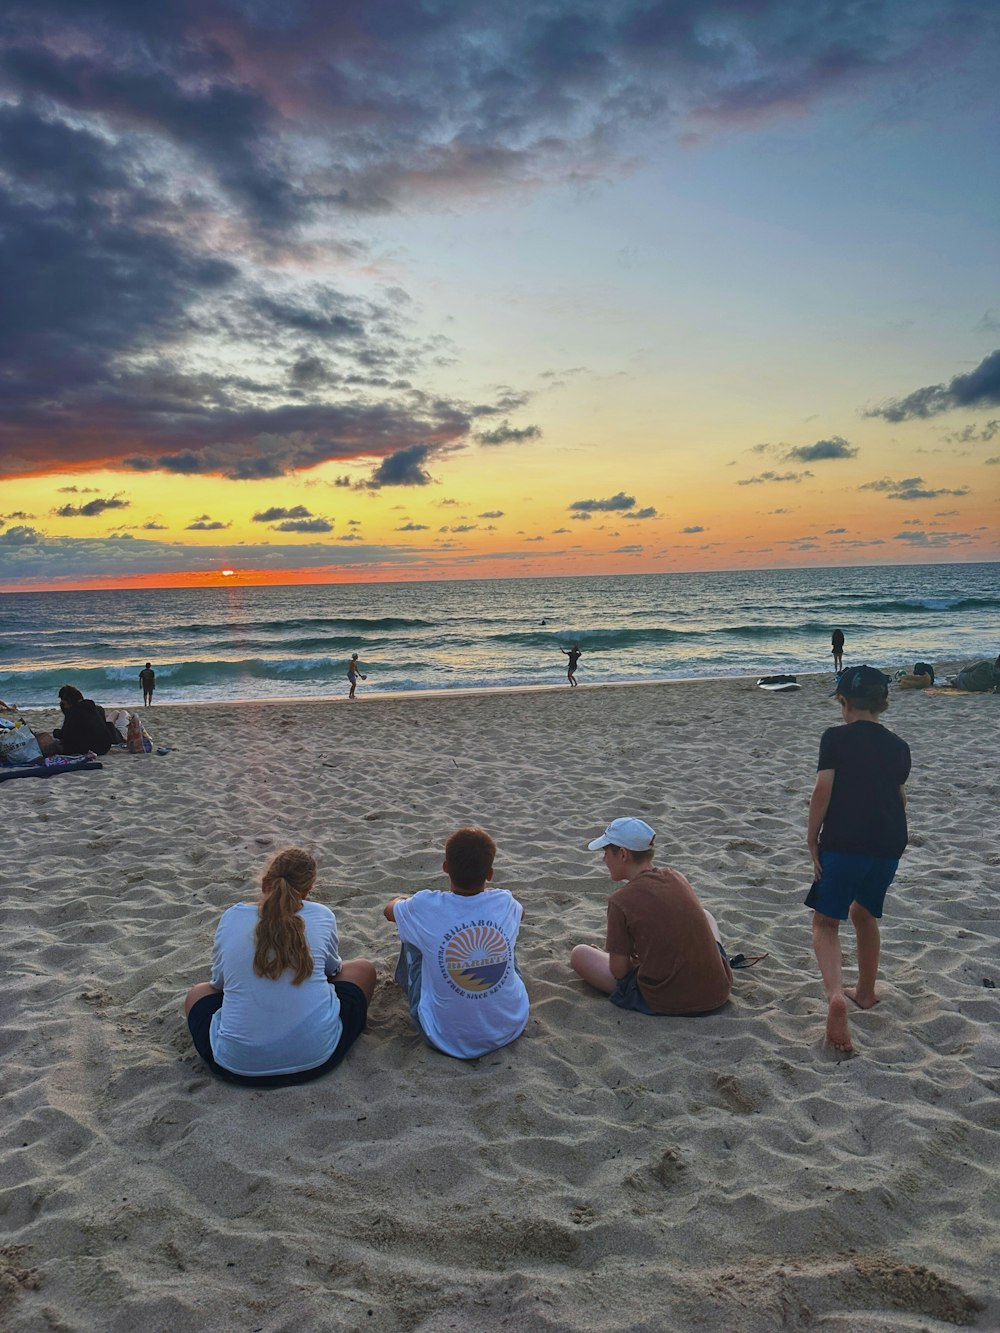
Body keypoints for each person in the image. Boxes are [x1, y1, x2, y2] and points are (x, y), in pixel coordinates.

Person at [184, 847, 376, 1086]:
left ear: (264, 885)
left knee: (198, 992)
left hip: (238, 1067)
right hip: (318, 1059)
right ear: (307, 891)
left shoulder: (233, 917)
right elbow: (333, 971)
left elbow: (218, 984)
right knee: (362, 969)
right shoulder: (321, 915)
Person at [806, 665, 911, 1054]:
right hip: (888, 842)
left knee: (825, 921)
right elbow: (900, 798)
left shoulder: (835, 738)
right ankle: (866, 992)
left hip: (845, 841)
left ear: (844, 703)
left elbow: (823, 789)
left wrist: (811, 838)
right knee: (865, 913)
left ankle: (836, 994)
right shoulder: (899, 746)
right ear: (882, 704)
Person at [383, 827, 529, 1059]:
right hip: (510, 1025)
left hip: (441, 1035)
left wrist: (404, 900)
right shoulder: (504, 901)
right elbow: (520, 915)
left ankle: (405, 984)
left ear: (445, 868)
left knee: (412, 930)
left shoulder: (424, 906)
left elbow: (389, 912)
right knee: (504, 937)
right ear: (489, 873)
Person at [570, 817, 732, 1016]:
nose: (604, 859)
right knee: (706, 916)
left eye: (606, 852)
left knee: (579, 954)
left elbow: (619, 972)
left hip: (667, 999)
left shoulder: (620, 900)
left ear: (623, 854)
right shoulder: (676, 876)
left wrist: (615, 957)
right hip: (718, 991)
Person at [34, 685, 120, 756]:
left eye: (63, 702)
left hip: (87, 749)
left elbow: (65, 735)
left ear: (68, 701)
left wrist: (56, 732)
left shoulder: (73, 712)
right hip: (104, 747)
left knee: (51, 746)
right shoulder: (94, 708)